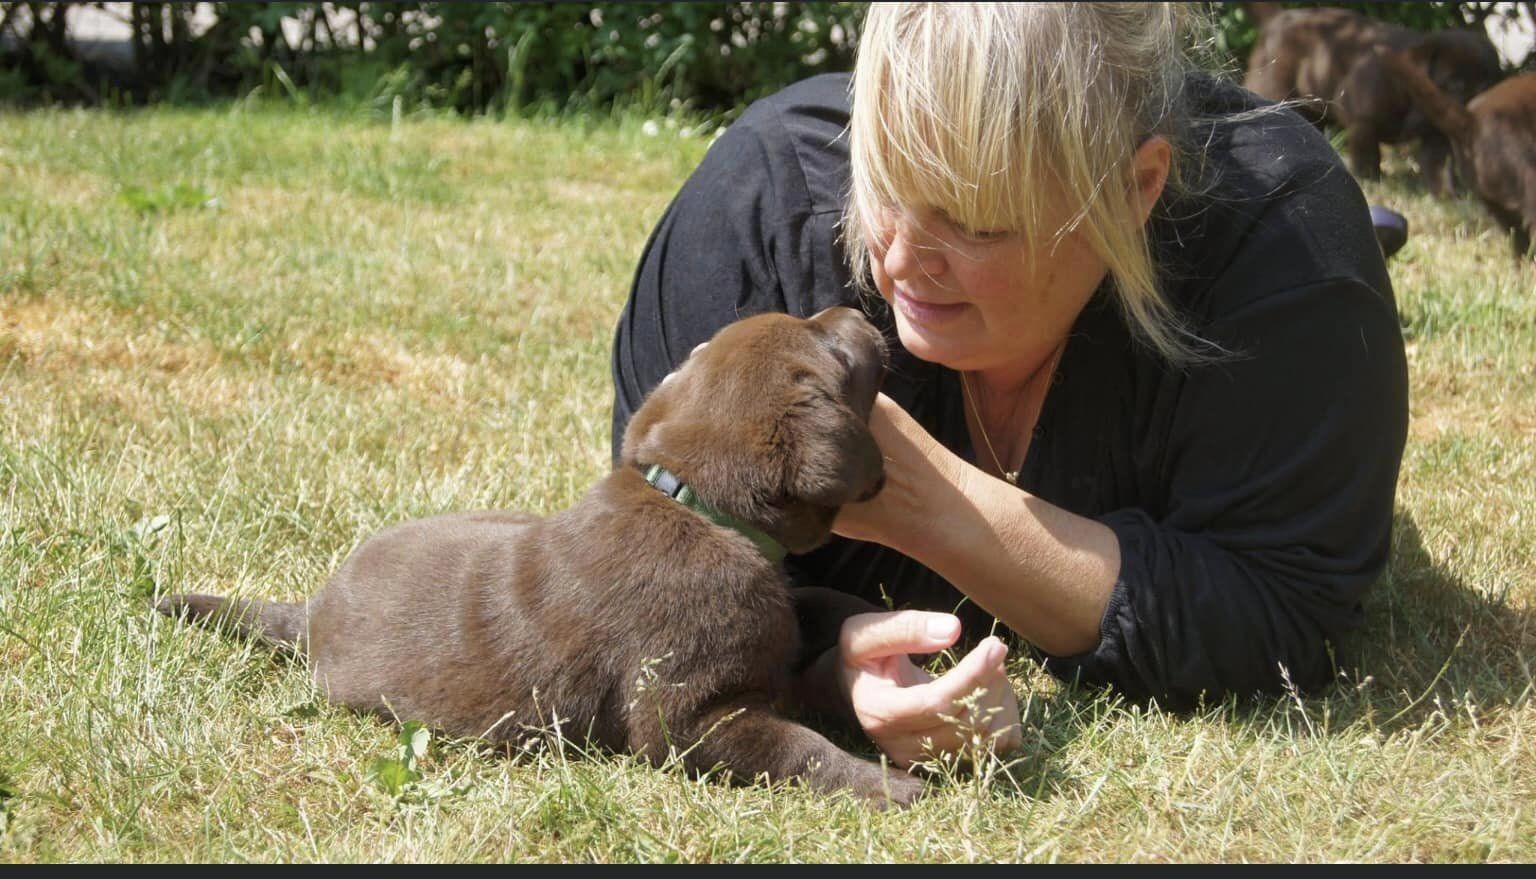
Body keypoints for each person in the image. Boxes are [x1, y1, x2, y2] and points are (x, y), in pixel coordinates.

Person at [609, 3, 1409, 768]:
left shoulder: (1285, 263)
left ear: (1136, 187)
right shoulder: (766, 213)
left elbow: (1281, 611)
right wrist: (829, 662)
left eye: (977, 222)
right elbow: (652, 565)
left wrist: (928, 504)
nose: (897, 263)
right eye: (885, 184)